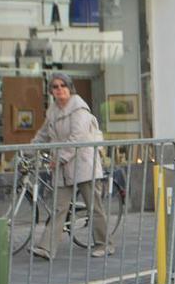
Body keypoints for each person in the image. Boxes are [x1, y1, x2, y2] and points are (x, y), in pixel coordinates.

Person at [30, 72, 113, 260]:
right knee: (59, 208)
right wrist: (28, 149)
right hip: (63, 167)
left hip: (84, 164)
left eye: (63, 85)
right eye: (55, 86)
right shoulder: (53, 111)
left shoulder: (79, 110)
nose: (59, 89)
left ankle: (105, 244)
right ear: (51, 91)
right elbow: (43, 134)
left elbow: (78, 138)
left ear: (70, 88)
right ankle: (46, 248)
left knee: (94, 207)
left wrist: (60, 158)